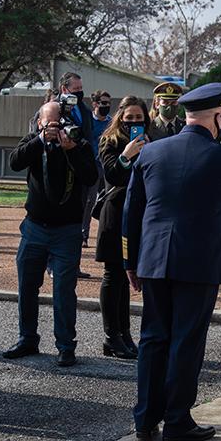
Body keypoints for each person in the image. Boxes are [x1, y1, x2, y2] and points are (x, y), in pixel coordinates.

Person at [123, 83, 221, 441]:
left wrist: (130, 262)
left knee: (153, 339)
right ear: (217, 117)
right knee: (186, 341)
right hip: (197, 263)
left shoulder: (150, 153)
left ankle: (144, 420)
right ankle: (177, 420)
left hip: (152, 259)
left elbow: (131, 211)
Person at [2, 101, 98, 367]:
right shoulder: (33, 141)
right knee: (27, 287)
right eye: (51, 124)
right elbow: (15, 161)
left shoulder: (80, 144)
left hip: (67, 231)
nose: (58, 129)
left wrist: (72, 150)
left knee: (64, 291)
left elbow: (91, 178)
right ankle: (27, 338)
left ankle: (66, 345)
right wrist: (41, 140)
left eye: (61, 122)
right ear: (41, 123)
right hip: (34, 228)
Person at [94, 96, 148, 360]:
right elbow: (111, 174)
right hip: (115, 213)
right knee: (112, 274)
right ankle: (110, 336)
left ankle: (124, 334)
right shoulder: (110, 141)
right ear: (120, 119)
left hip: (138, 215)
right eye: (129, 119)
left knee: (127, 279)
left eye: (139, 118)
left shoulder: (150, 141)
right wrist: (127, 154)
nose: (134, 123)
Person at [59, 72, 94, 278]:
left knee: (78, 220)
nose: (80, 93)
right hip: (61, 173)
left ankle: (74, 264)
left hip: (81, 171)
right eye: (76, 90)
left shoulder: (85, 111)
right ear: (64, 89)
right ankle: (53, 265)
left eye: (81, 89)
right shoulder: (53, 109)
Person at [80, 90, 112, 248]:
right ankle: (83, 234)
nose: (107, 106)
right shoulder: (88, 121)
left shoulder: (112, 123)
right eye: (103, 103)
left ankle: (105, 235)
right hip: (92, 167)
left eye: (108, 103)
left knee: (108, 201)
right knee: (89, 201)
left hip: (106, 167)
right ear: (95, 104)